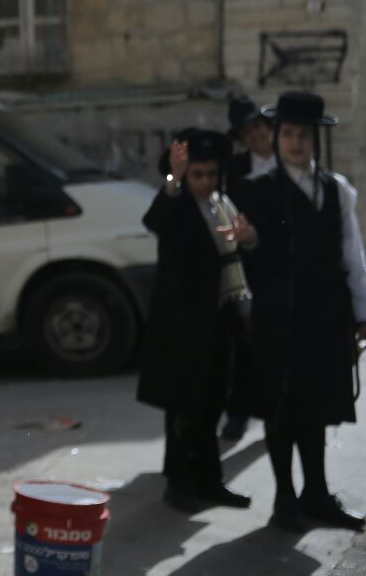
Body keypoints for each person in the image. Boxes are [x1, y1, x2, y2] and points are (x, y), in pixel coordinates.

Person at [232, 91, 366, 532]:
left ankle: (317, 494)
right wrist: (249, 240)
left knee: (317, 407)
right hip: (279, 316)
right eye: (287, 133)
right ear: (277, 135)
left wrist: (361, 313)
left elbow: (352, 254)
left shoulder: (338, 190)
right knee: (281, 407)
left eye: (302, 134)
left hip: (326, 316)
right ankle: (285, 498)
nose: (294, 142)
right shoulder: (258, 191)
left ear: (315, 139)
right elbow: (249, 254)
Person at [138, 129, 257, 513]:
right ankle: (179, 482)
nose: (205, 182)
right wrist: (174, 177)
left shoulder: (222, 203)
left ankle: (209, 480)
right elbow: (154, 219)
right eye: (197, 175)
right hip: (184, 324)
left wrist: (249, 237)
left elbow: (242, 249)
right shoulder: (177, 205)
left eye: (210, 174)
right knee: (183, 406)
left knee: (212, 402)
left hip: (220, 318)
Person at [220, 96, 275, 440]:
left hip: (284, 265)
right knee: (246, 344)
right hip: (250, 264)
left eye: (258, 127)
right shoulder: (237, 170)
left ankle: (274, 414)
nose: (255, 135)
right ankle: (238, 413)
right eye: (248, 131)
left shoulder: (287, 161)